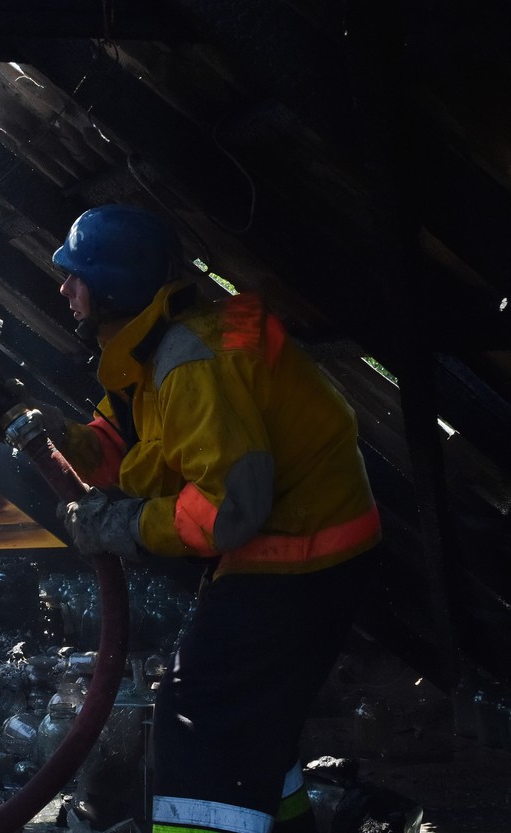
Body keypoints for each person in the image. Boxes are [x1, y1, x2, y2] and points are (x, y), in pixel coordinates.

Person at [49, 204, 381, 833]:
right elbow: (127, 449)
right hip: (302, 550)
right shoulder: (157, 349)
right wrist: (39, 430)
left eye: (76, 275)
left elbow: (231, 509)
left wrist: (121, 528)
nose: (65, 288)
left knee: (196, 712)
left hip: (302, 559)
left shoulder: (188, 359)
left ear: (114, 284)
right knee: (250, 718)